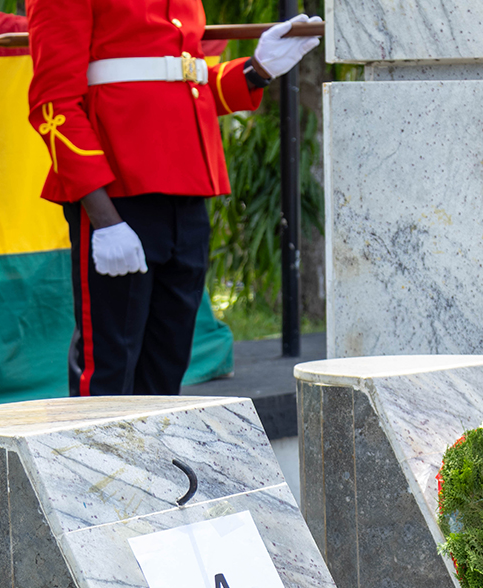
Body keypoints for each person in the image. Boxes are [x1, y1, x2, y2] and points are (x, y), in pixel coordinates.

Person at [27, 0, 321, 396]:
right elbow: (54, 104)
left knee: (167, 368)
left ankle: (152, 460)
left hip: (188, 192)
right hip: (117, 195)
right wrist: (106, 220)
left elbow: (181, 90)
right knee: (108, 370)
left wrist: (257, 70)